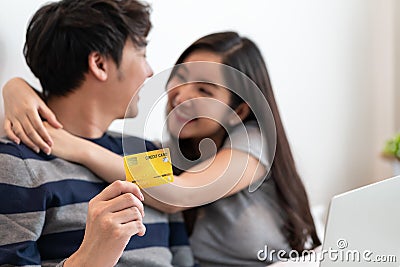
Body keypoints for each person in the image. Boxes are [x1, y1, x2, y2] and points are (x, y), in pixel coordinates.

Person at [3, 32, 321, 265]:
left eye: (204, 90)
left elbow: (176, 193)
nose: (182, 96)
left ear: (238, 112)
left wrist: (80, 148)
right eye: (180, 78)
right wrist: (14, 88)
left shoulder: (252, 140)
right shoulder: (168, 150)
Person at [0, 0, 193, 266]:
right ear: (100, 63)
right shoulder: (16, 161)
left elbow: (183, 259)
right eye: (142, 54)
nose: (149, 72)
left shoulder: (147, 153)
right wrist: (90, 257)